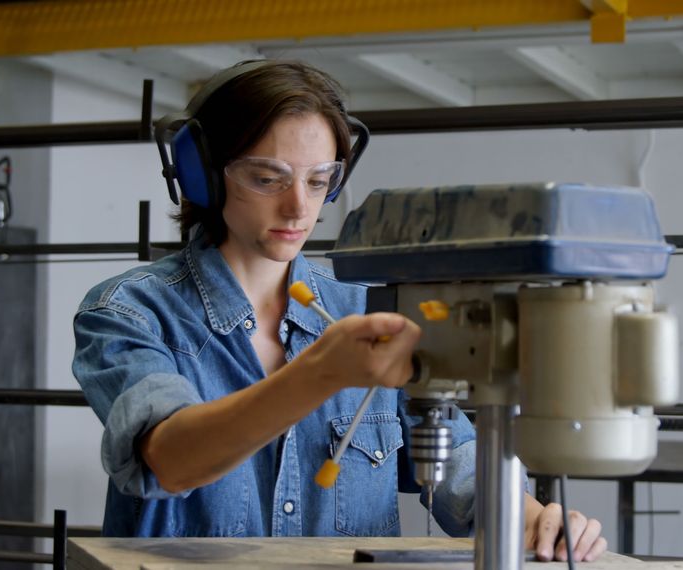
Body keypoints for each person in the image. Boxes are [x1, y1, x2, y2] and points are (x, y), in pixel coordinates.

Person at [71, 60, 607, 563]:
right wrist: (323, 371)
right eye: (267, 177)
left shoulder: (367, 303)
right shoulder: (129, 311)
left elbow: (455, 462)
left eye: (318, 180)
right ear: (201, 173)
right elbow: (172, 458)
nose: (299, 208)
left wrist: (536, 518)